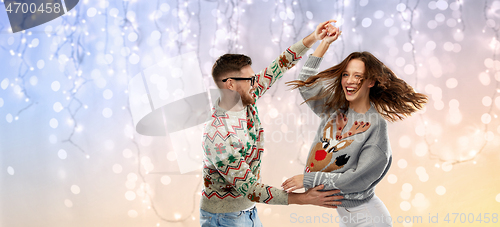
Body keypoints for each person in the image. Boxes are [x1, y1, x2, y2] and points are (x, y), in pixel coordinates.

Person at [282, 24, 428, 227]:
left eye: (358, 76)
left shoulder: (376, 126)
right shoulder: (335, 110)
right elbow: (307, 83)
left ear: (371, 82)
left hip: (368, 218)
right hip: (347, 217)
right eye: (346, 74)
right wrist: (324, 42)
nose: (349, 81)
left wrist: (307, 180)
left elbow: (357, 179)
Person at [200, 20, 343, 227]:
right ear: (230, 84)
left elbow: (279, 65)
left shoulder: (245, 97)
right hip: (225, 218)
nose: (255, 83)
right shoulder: (218, 135)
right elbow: (248, 188)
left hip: (247, 211)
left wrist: (315, 37)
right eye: (249, 80)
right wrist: (303, 199)